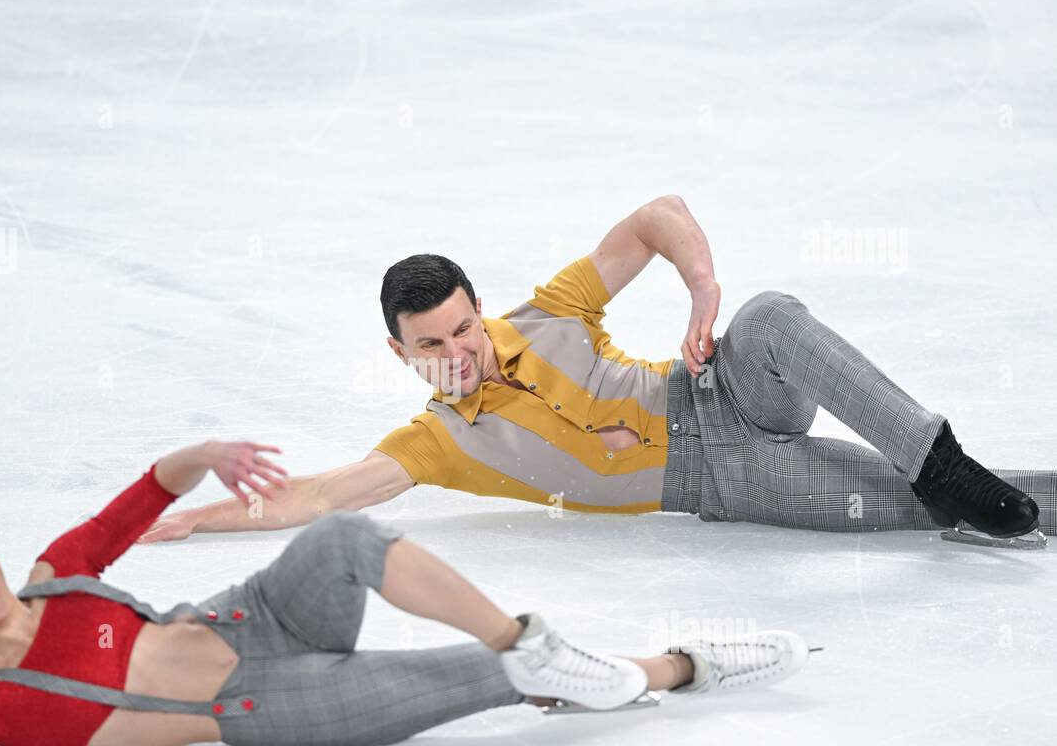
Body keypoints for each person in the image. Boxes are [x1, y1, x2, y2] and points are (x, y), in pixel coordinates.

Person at [0, 440, 812, 746]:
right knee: (480, 690)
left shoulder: (55, 574)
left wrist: (205, 454)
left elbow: (139, 495)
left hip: (251, 613)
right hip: (267, 698)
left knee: (348, 540)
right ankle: (681, 665)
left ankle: (526, 637)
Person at [138, 196, 1051, 549]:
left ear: (476, 306)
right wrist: (188, 518)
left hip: (717, 389)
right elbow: (314, 496)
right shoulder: (437, 443)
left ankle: (940, 459)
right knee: (961, 512)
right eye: (434, 348)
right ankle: (970, 490)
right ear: (400, 355)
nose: (460, 355)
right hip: (721, 481)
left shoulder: (549, 312)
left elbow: (657, 216)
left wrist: (701, 293)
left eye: (464, 328)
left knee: (770, 316)